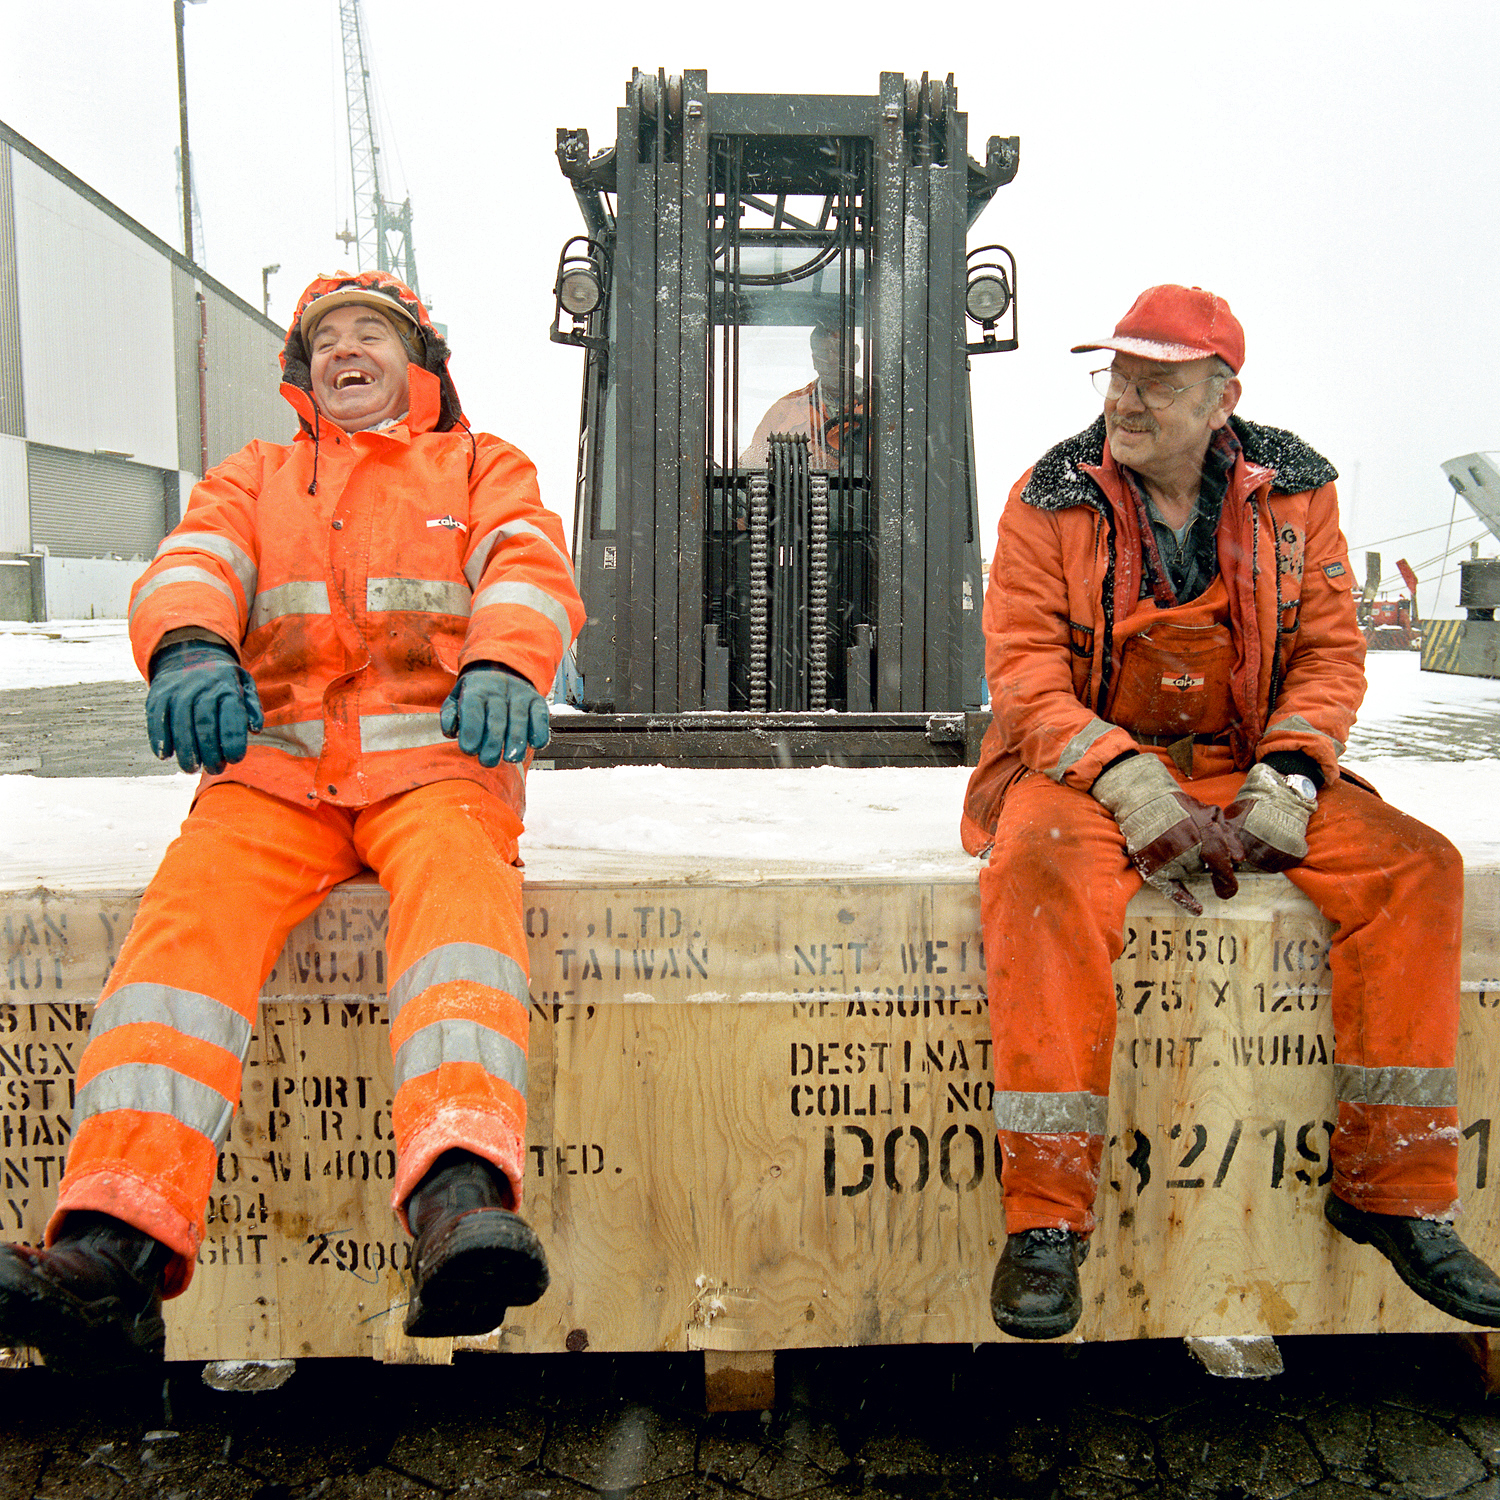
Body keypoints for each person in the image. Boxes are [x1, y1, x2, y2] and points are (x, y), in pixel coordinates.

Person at [0, 270, 585, 1374]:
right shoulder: (255, 475)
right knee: (184, 941)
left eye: (371, 332)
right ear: (301, 372)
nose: (345, 349)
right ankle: (112, 1246)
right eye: (325, 338)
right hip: (274, 771)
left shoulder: (479, 464)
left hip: (436, 768)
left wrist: (510, 657)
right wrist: (187, 643)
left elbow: (526, 563)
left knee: (461, 916)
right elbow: (194, 564)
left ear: (422, 361)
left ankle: (460, 1201)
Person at [962, 283, 1500, 1340]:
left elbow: (1330, 655)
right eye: (1118, 376)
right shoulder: (1049, 497)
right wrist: (1124, 779)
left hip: (1245, 763)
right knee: (1038, 883)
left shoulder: (1300, 494)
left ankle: (1392, 1191)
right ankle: (1047, 1220)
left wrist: (1292, 780)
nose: (1126, 400)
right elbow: (1024, 674)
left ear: (1222, 398)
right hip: (1083, 770)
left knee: (1416, 871)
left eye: (1156, 382)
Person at [740, 322, 865, 470]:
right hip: (797, 493)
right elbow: (750, 465)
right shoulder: (785, 409)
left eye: (838, 350)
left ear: (856, 354)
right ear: (814, 361)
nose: (831, 360)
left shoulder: (880, 407)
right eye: (823, 354)